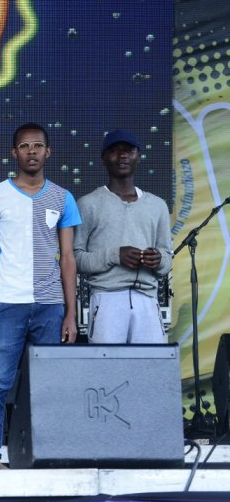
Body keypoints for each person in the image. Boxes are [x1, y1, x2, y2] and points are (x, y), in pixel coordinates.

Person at [0, 122, 81, 461]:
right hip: (8, 303)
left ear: (48, 152)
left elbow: (68, 258)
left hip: (50, 306)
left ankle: (49, 454)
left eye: (37, 145)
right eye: (24, 146)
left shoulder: (63, 197)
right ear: (14, 153)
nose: (31, 151)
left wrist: (71, 313)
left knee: (48, 386)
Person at [74, 129, 172, 343]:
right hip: (106, 299)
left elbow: (167, 259)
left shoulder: (157, 205)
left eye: (129, 150)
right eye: (114, 150)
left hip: (148, 299)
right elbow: (76, 259)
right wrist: (115, 255)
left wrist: (159, 259)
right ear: (103, 159)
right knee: (107, 363)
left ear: (138, 157)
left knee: (151, 362)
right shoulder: (88, 204)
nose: (122, 155)